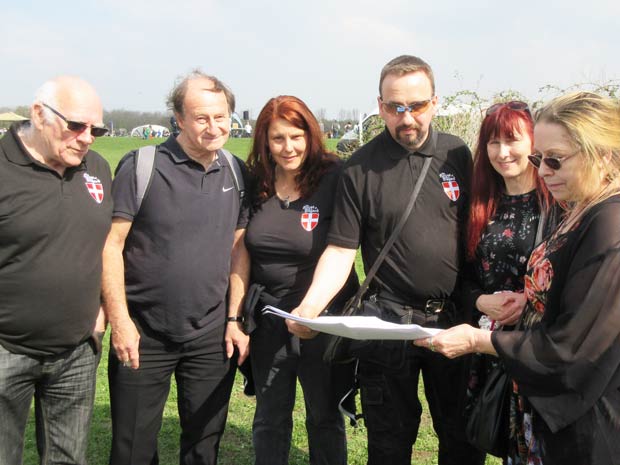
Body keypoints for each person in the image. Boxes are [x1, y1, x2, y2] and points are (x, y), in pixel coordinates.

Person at [288, 55, 485, 465]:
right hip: (387, 324)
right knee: (389, 442)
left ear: (434, 103)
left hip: (451, 319)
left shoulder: (457, 155)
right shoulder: (358, 168)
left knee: (460, 436)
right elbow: (341, 250)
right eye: (395, 107)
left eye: (416, 106)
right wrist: (309, 307)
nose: (406, 117)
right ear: (380, 106)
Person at [416, 91, 620, 464]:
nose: (541, 172)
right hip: (536, 391)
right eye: (540, 159)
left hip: (584, 416)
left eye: (554, 161)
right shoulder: (581, 207)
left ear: (602, 155)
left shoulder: (608, 225)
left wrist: (480, 338)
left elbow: (570, 348)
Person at [102, 70, 250, 465]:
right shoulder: (142, 166)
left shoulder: (237, 172)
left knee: (204, 446)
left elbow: (239, 249)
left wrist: (234, 318)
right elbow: (111, 245)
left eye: (221, 116)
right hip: (144, 333)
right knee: (132, 448)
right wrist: (121, 321)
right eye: (201, 117)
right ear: (179, 119)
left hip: (210, 335)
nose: (213, 126)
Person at [0, 76, 112, 464]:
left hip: (76, 351)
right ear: (38, 114)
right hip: (6, 350)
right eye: (76, 125)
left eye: (96, 129)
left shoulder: (96, 168)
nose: (87, 138)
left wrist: (101, 312)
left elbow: (105, 247)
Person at [244, 95, 359, 465]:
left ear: (311, 135)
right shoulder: (255, 181)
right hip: (269, 318)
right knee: (269, 417)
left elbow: (343, 248)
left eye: (297, 136)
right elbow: (239, 247)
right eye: (278, 138)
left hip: (321, 319)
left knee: (324, 417)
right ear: (264, 141)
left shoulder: (334, 177)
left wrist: (312, 309)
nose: (288, 147)